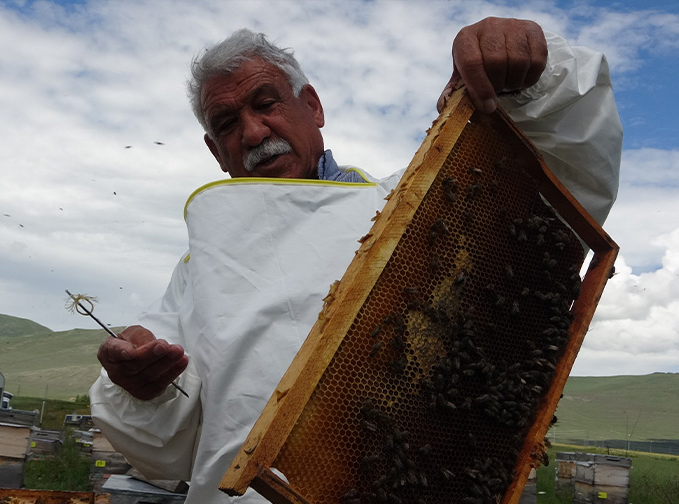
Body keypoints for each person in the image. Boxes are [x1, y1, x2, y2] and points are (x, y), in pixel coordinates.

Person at [89, 17, 622, 504]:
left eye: (265, 103)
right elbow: (163, 451)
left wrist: (530, 75)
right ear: (214, 150)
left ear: (313, 107)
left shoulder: (416, 204)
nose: (252, 133)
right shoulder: (194, 273)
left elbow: (561, 171)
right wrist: (143, 387)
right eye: (227, 122)